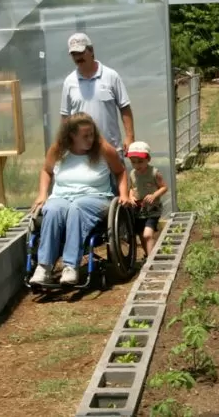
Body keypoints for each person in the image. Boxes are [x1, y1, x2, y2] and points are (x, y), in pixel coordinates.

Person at [30, 112, 131, 285]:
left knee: (77, 207)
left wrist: (123, 194)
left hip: (96, 197)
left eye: (92, 134)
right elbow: (46, 171)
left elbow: (120, 171)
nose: (90, 139)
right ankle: (44, 267)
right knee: (52, 210)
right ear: (72, 135)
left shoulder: (103, 149)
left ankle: (71, 266)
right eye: (85, 136)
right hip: (62, 197)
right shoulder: (58, 150)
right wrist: (42, 194)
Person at [60, 33, 136, 157]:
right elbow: (65, 117)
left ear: (91, 51)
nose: (78, 57)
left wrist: (130, 137)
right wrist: (66, 144)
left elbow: (124, 107)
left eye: (81, 52)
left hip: (111, 149)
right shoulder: (69, 82)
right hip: (82, 152)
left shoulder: (111, 76)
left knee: (117, 176)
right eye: (74, 54)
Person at [125, 141, 168, 256]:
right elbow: (131, 188)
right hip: (138, 210)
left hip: (152, 209)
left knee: (147, 235)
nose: (137, 165)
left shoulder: (154, 173)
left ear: (148, 159)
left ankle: (150, 260)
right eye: (133, 162)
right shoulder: (132, 174)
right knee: (141, 235)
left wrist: (154, 195)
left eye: (140, 162)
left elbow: (164, 187)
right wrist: (130, 197)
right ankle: (148, 255)